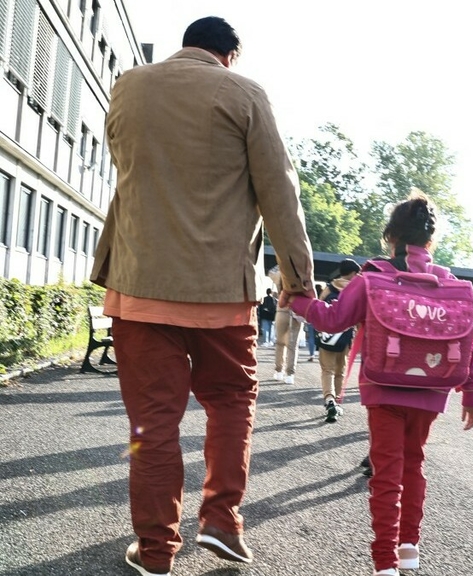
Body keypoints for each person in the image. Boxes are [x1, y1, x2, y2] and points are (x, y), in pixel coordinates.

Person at [91, 16, 315, 576]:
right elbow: (279, 192)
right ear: (230, 55)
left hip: (139, 284)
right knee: (232, 403)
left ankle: (156, 550)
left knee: (152, 424)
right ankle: (220, 521)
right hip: (222, 291)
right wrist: (297, 280)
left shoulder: (129, 84)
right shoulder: (243, 93)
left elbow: (125, 164)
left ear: (184, 45)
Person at [291, 191, 473, 576]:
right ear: (430, 241)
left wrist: (296, 302)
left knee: (386, 473)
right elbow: (468, 341)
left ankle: (384, 563)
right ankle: (409, 547)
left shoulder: (373, 279)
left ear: (390, 237)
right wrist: (472, 394)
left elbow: (332, 320)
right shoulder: (451, 285)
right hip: (431, 392)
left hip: (384, 388)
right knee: (414, 464)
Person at [317, 260, 360, 423]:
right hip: (345, 336)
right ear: (354, 274)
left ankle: (329, 400)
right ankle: (338, 403)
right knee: (340, 371)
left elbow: (319, 309)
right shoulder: (354, 290)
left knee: (326, 370)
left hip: (327, 335)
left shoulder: (329, 288)